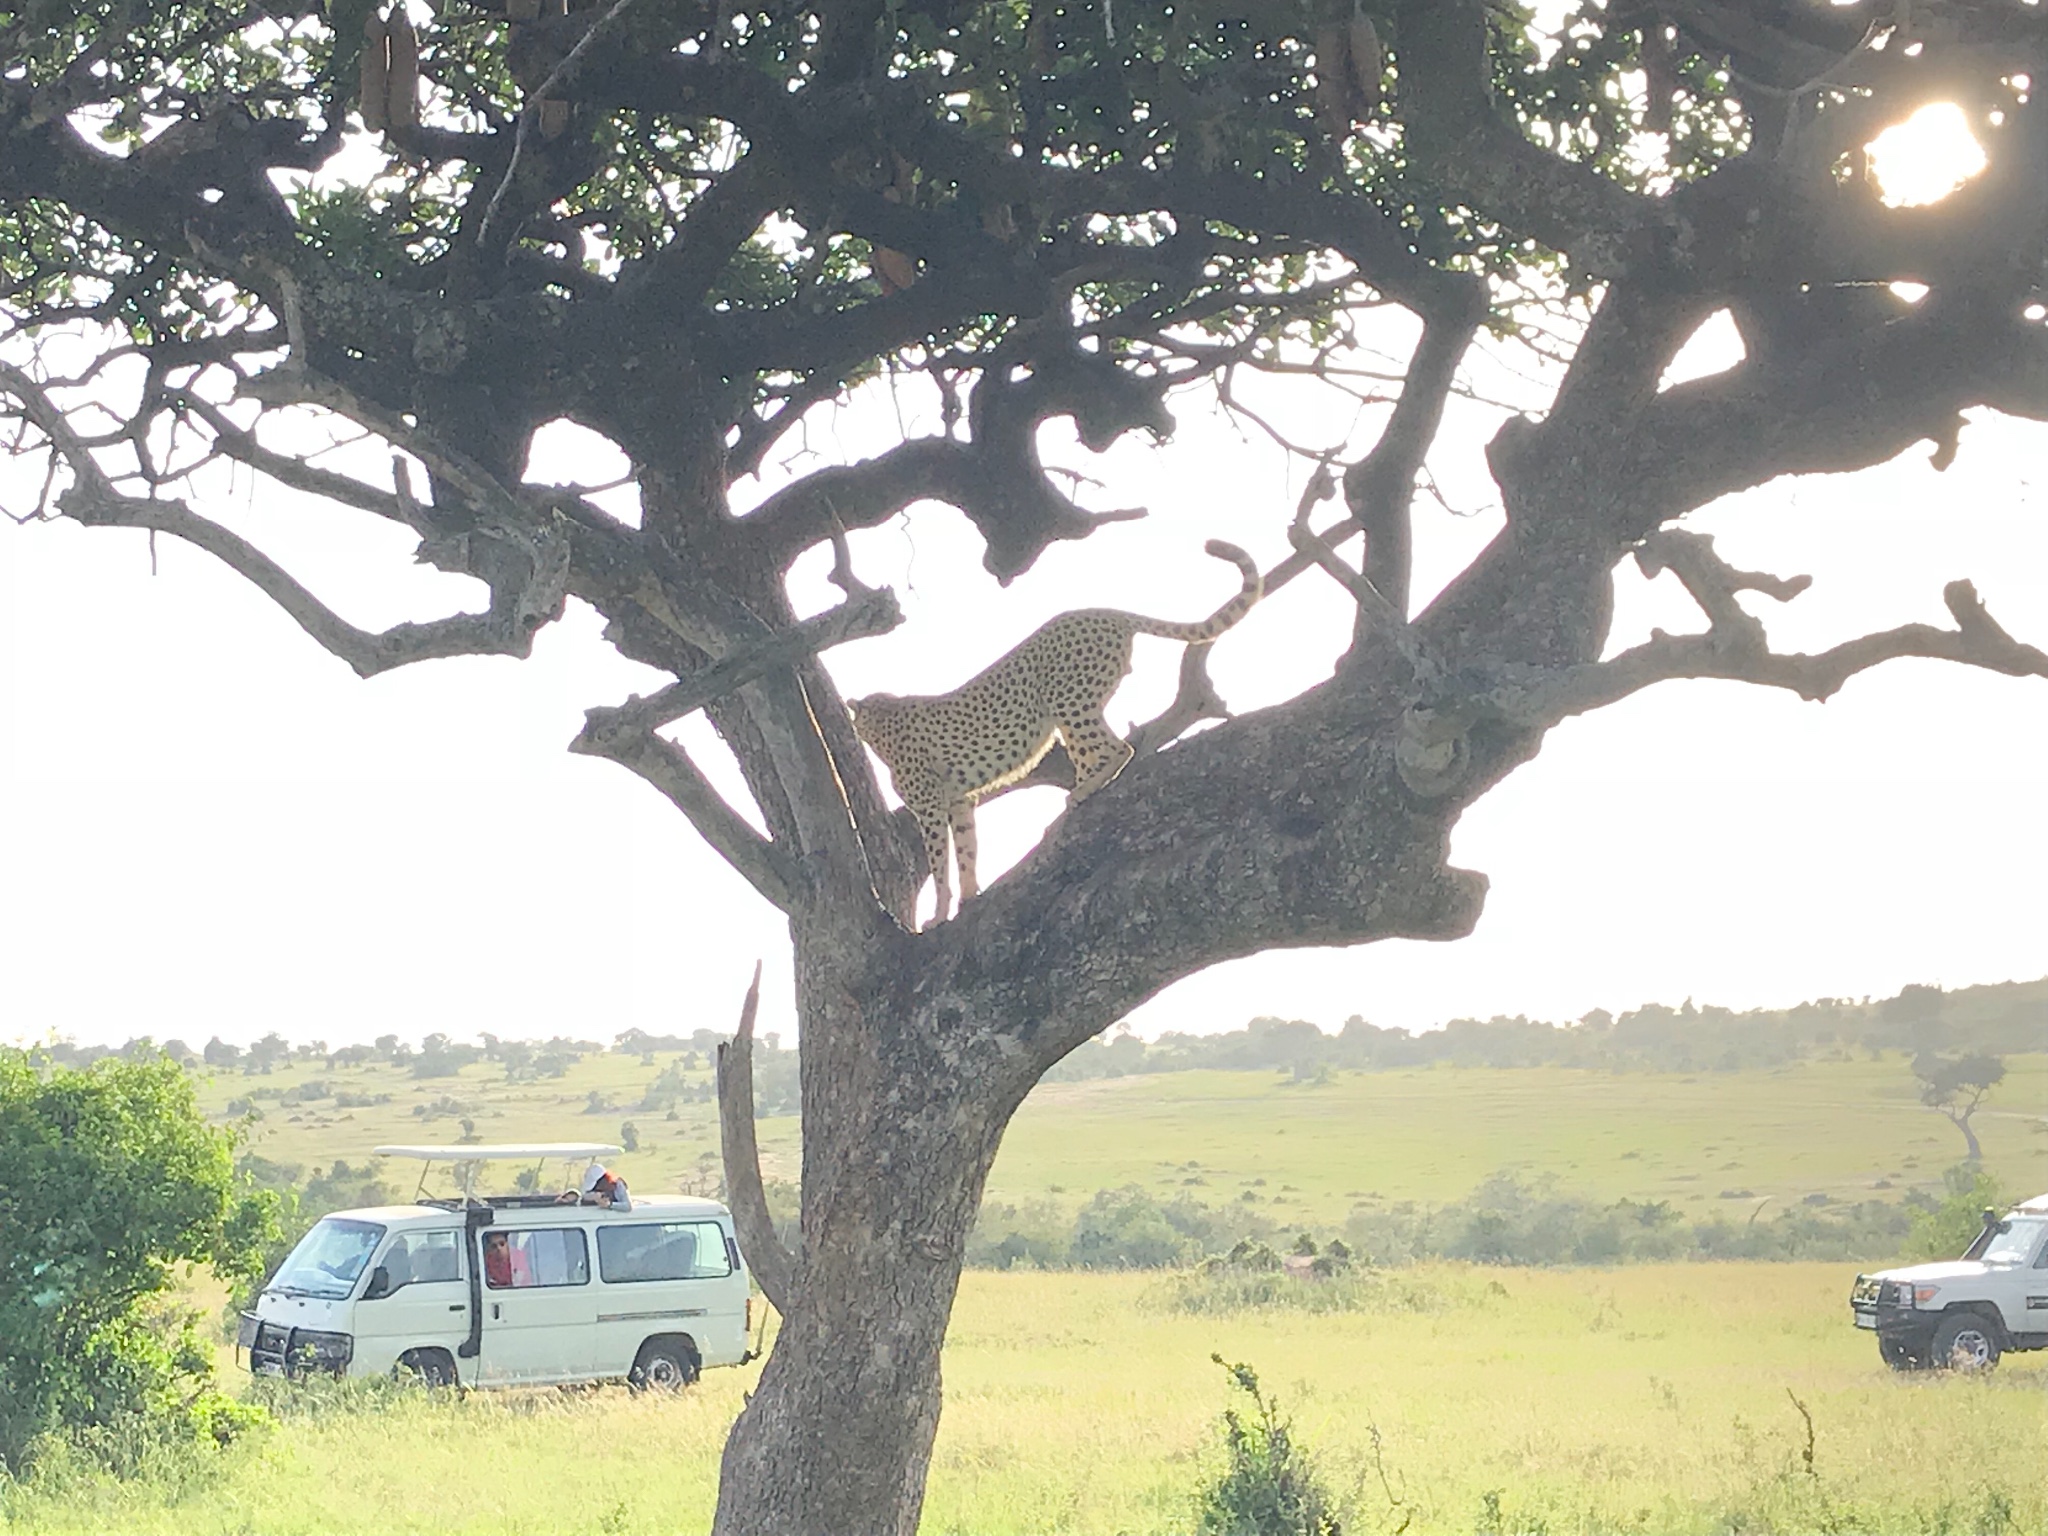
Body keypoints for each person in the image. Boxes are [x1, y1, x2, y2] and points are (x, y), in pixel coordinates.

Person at [557, 1160, 630, 1211]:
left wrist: (610, 1205)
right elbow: (585, 1195)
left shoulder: (618, 1185)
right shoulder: (596, 1190)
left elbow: (627, 1206)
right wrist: (594, 1197)